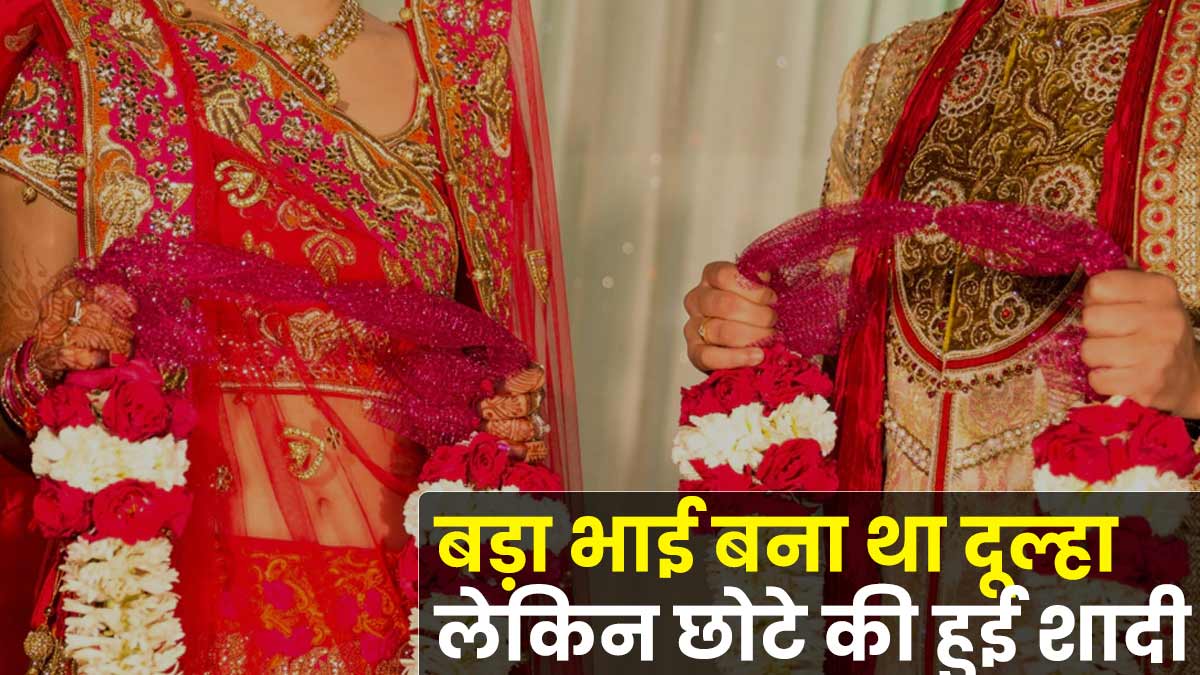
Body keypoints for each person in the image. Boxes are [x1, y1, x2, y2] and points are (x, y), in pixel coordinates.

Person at [0, 0, 578, 671]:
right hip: (168, 611)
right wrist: (56, 363)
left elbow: (490, 375)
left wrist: (500, 422)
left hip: (399, 622)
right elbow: (19, 398)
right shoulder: (97, 52)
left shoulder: (456, 78)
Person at [684, 0, 1200, 491]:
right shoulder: (889, 71)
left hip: (1105, 549)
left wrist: (1193, 386)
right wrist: (747, 329)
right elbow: (833, 351)